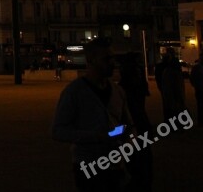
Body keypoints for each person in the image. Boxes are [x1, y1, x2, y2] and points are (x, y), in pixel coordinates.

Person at [52, 37, 134, 191]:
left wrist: (126, 138)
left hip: (116, 164)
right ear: (91, 60)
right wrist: (95, 137)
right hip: (89, 165)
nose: (112, 63)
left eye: (112, 58)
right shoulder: (74, 92)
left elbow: (128, 125)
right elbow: (57, 131)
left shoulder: (117, 91)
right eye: (106, 59)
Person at [117, 52, 153, 190]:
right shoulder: (122, 91)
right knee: (137, 171)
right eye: (136, 72)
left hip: (137, 130)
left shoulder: (128, 88)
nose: (139, 75)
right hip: (131, 132)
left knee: (142, 170)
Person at [155, 47, 185, 121]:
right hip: (170, 89)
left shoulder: (169, 66)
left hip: (170, 88)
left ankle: (171, 121)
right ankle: (174, 121)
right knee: (172, 106)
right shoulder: (170, 67)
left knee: (169, 106)